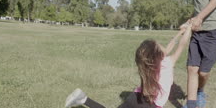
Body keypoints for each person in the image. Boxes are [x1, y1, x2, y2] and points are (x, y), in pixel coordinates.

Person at [65, 23, 193, 108]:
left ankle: (83, 99)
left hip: (136, 97)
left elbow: (168, 48)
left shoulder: (149, 64)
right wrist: (189, 28)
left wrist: (180, 32)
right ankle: (82, 99)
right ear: (157, 53)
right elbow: (181, 45)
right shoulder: (167, 63)